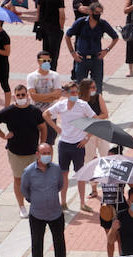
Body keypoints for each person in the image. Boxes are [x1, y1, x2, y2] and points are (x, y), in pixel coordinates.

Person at [23, 143, 69, 257]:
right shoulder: (29, 171)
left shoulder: (56, 169)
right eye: (44, 153)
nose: (47, 156)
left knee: (59, 241)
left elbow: (60, 185)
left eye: (49, 153)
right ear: (37, 154)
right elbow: (25, 191)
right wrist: (36, 200)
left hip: (55, 212)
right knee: (37, 241)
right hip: (37, 213)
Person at [45, 81, 94, 209]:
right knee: (63, 174)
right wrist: (56, 128)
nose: (75, 94)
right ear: (66, 93)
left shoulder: (83, 105)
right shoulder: (61, 105)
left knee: (80, 174)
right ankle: (63, 202)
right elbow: (46, 114)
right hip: (64, 144)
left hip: (79, 144)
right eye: (72, 92)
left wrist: (87, 137)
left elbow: (95, 120)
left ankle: (82, 203)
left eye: (76, 92)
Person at [66, 2, 118, 88]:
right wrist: (72, 53)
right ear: (90, 12)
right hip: (82, 59)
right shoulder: (81, 22)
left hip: (96, 59)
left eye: (100, 13)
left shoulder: (102, 24)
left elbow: (115, 37)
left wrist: (106, 50)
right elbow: (67, 36)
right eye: (96, 12)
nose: (98, 15)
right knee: (81, 87)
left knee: (97, 88)